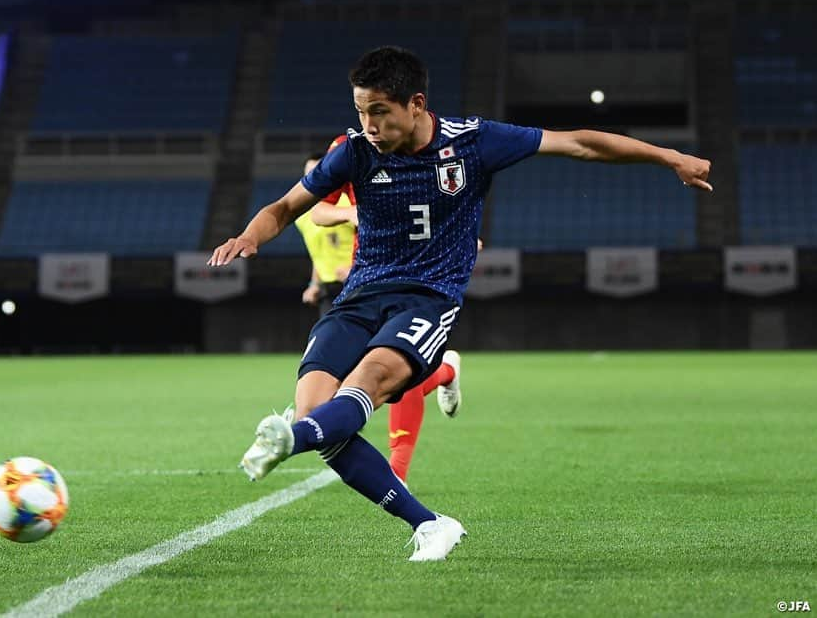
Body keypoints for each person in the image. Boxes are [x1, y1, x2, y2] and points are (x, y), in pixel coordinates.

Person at [209, 46, 711, 561]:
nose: (369, 124)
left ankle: (289, 440)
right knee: (320, 416)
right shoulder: (356, 152)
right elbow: (287, 206)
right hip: (358, 298)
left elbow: (579, 143)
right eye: (361, 111)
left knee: (364, 388)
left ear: (416, 104)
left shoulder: (473, 142)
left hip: (425, 301)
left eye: (379, 111)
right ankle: (429, 524)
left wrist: (669, 156)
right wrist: (250, 235)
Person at [301, 139, 463, 484]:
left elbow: (449, 200)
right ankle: (446, 370)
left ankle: (398, 469)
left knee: (386, 371)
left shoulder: (434, 148)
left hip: (421, 282)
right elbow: (318, 218)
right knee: (362, 381)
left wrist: (461, 238)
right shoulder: (350, 157)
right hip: (363, 285)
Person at [294, 152, 357, 315]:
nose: (312, 180)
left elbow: (374, 239)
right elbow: (319, 253)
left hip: (357, 283)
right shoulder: (301, 217)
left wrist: (356, 269)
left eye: (317, 174)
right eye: (308, 175)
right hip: (328, 290)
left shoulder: (347, 205)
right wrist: (314, 284)